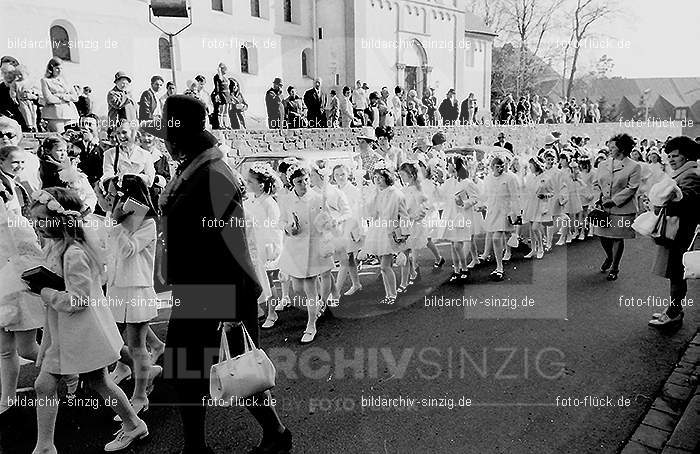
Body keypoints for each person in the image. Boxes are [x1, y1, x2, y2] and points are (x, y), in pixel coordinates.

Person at [141, 95, 291, 453]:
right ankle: (197, 447)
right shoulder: (193, 168)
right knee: (185, 375)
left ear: (179, 133)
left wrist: (234, 310)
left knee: (241, 370)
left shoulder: (214, 175)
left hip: (222, 295)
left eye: (166, 129)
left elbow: (236, 249)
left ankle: (276, 435)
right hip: (198, 290)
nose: (163, 136)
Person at [30, 187, 148, 452]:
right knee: (53, 384)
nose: (36, 226)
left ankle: (132, 424)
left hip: (79, 332)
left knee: (91, 381)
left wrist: (45, 292)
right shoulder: (58, 246)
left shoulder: (73, 253)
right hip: (67, 332)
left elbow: (78, 300)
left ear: (59, 220)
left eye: (40, 220)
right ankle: (46, 445)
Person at [105, 175, 162, 421]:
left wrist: (117, 223)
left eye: (112, 193)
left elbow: (128, 250)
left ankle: (140, 396)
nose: (109, 198)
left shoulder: (146, 221)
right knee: (115, 341)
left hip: (137, 289)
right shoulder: (120, 219)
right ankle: (148, 370)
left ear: (125, 195)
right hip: (117, 287)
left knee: (136, 346)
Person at [0, 145, 43, 417]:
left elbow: (27, 238)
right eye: (12, 161)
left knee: (27, 347)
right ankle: (7, 398)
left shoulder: (20, 190)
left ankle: (77, 373)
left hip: (17, 277)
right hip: (3, 276)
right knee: (4, 348)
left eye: (20, 162)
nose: (17, 166)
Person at [278, 164, 334, 343]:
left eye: (306, 180)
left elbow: (327, 221)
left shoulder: (318, 198)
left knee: (310, 288)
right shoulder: (286, 200)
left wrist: (325, 225)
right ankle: (317, 303)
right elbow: (280, 221)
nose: (304, 184)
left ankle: (311, 325)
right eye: (299, 181)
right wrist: (288, 228)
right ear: (292, 183)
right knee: (297, 289)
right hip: (294, 248)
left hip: (312, 248)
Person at [649, 137, 700, 327]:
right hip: (675, 229)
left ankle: (674, 312)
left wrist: (668, 199)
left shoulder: (691, 174)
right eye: (668, 156)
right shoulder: (683, 172)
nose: (670, 159)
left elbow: (688, 201)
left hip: (680, 231)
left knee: (677, 272)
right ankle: (673, 309)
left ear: (685, 156)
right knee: (674, 272)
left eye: (675, 156)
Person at [592, 133, 641, 281]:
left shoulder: (634, 166)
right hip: (603, 207)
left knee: (617, 238)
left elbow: (632, 188)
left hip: (622, 208)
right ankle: (609, 256)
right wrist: (598, 198)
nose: (609, 149)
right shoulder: (603, 164)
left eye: (613, 147)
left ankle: (615, 267)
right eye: (609, 146)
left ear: (622, 148)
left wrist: (613, 201)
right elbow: (596, 184)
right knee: (602, 235)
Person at [363, 162, 409, 305]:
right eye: (375, 177)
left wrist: (403, 236)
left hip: (390, 232)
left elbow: (404, 216)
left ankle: (393, 295)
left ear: (387, 177)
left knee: (384, 266)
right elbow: (369, 213)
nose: (377, 180)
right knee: (383, 268)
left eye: (380, 177)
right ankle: (389, 294)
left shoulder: (396, 194)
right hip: (377, 231)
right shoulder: (376, 193)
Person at [244, 163, 283, 329]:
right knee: (257, 280)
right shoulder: (252, 200)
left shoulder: (269, 203)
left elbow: (274, 229)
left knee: (268, 280)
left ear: (261, 185)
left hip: (266, 246)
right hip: (253, 244)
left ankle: (272, 313)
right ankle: (259, 310)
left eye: (250, 181)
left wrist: (271, 250)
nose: (247, 184)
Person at [482, 156, 519, 281]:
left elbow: (515, 197)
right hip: (493, 211)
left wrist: (516, 213)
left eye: (502, 166)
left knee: (500, 237)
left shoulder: (510, 178)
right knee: (498, 238)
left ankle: (501, 264)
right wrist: (481, 205)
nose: (500, 168)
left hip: (505, 211)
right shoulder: (488, 179)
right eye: (497, 166)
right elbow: (486, 196)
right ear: (492, 167)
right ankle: (499, 266)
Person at [331, 164, 364, 296]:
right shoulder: (334, 190)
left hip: (350, 229)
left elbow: (356, 213)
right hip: (338, 229)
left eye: (342, 174)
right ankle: (356, 284)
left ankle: (336, 292)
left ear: (348, 174)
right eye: (337, 175)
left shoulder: (353, 191)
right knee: (349, 259)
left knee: (344, 259)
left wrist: (355, 232)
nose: (340, 177)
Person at [522, 157, 553, 259]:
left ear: (536, 166)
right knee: (531, 228)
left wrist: (545, 196)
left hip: (540, 205)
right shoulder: (530, 177)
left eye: (531, 166)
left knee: (535, 227)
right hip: (531, 204)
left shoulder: (546, 178)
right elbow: (526, 190)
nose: (530, 168)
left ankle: (540, 248)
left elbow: (552, 192)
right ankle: (533, 249)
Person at [41, 57, 79, 133]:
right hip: (55, 114)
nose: (60, 71)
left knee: (72, 137)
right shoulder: (46, 81)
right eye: (57, 68)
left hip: (70, 113)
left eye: (61, 68)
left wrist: (61, 96)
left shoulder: (66, 81)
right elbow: (49, 99)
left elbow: (75, 97)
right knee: (59, 136)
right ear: (51, 69)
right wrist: (67, 98)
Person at [211, 63, 232, 130]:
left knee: (226, 111)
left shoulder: (225, 78)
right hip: (222, 95)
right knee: (221, 110)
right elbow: (217, 86)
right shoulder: (217, 77)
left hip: (227, 95)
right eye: (224, 69)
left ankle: (226, 124)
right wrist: (217, 95)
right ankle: (220, 124)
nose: (226, 71)